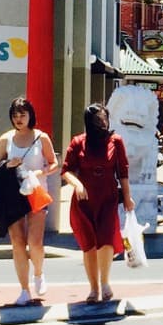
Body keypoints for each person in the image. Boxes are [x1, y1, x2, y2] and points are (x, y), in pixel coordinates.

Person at [61, 103, 135, 304]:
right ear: (89, 122)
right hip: (84, 200)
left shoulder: (115, 141)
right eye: (98, 119)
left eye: (105, 118)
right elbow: (66, 170)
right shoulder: (78, 142)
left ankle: (105, 282)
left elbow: (123, 172)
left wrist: (127, 197)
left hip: (108, 197)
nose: (102, 122)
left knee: (106, 240)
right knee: (89, 245)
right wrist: (76, 184)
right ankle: (93, 288)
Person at [0, 96, 58, 306]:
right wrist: (8, 165)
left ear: (31, 115)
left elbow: (54, 163)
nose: (19, 119)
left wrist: (40, 172)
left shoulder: (41, 138)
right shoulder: (5, 139)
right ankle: (24, 289)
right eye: (15, 115)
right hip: (12, 195)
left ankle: (38, 273)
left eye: (22, 115)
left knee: (35, 242)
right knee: (17, 243)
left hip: (36, 192)